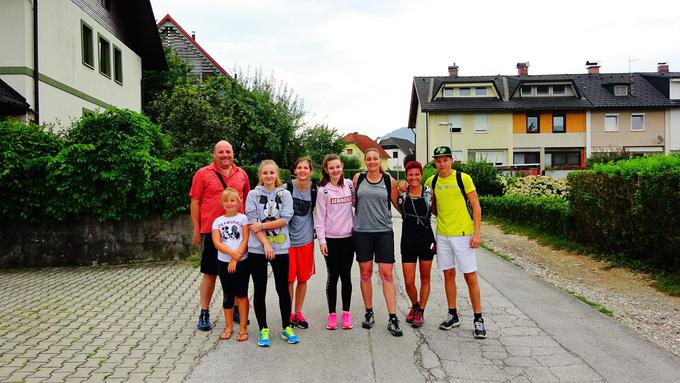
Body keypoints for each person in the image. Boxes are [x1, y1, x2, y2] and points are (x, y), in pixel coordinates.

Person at [424, 146, 486, 339]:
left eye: (445, 159)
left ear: (451, 160)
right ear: (434, 162)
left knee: (470, 277)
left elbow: (476, 206)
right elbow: (433, 209)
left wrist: (476, 233)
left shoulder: (463, 178)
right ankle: (453, 314)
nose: (441, 163)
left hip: (463, 235)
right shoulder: (431, 181)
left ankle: (478, 319)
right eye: (438, 160)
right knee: (448, 275)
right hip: (442, 235)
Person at [190, 140, 250, 331]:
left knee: (235, 273)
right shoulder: (202, 173)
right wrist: (197, 228)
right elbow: (195, 202)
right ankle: (205, 312)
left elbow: (247, 201)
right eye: (221, 152)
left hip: (237, 234)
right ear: (214, 154)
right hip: (211, 231)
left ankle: (235, 309)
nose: (225, 155)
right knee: (210, 273)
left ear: (233, 153)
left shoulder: (241, 174)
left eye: (228, 152)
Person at [246, 159, 299, 347]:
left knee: (282, 288)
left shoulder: (284, 194)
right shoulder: (253, 194)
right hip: (257, 249)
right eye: (265, 173)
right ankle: (263, 330)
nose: (268, 176)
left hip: (281, 247)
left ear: (277, 175)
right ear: (260, 175)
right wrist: (266, 245)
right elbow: (252, 222)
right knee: (260, 289)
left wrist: (262, 225)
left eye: (272, 172)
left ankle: (287, 326)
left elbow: (284, 219)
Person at [352, 148, 403, 337]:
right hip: (362, 232)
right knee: (365, 273)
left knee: (387, 274)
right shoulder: (358, 178)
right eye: (369, 159)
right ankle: (369, 311)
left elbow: (398, 203)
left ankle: (392, 317)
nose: (372, 161)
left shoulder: (389, 180)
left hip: (383, 232)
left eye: (375, 158)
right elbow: (349, 201)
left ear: (380, 160)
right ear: (365, 161)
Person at [315, 154, 355, 330]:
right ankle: (332, 315)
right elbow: (319, 218)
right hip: (331, 240)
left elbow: (356, 204)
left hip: (349, 239)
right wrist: (322, 240)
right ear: (326, 169)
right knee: (333, 277)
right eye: (331, 167)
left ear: (342, 166)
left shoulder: (349, 185)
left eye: (337, 166)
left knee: (346, 276)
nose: (335, 170)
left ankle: (346, 314)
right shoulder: (323, 191)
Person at [396, 161, 435, 328]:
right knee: (409, 281)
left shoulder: (429, 194)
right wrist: (399, 185)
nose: (414, 178)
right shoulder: (402, 193)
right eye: (410, 175)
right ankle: (415, 304)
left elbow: (438, 212)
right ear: (406, 176)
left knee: (425, 278)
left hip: (426, 239)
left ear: (421, 175)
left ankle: (421, 312)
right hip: (408, 240)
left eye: (417, 174)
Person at [211, 188, 250, 342]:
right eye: (226, 201)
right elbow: (217, 242)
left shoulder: (243, 219)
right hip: (223, 262)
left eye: (232, 200)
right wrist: (232, 256)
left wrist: (236, 258)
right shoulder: (218, 221)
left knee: (241, 294)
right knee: (228, 295)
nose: (229, 203)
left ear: (238, 202)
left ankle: (243, 328)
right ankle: (228, 327)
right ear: (222, 203)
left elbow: (246, 240)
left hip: (242, 262)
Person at [285, 158, 317, 329]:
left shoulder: (315, 189)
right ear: (295, 170)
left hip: (306, 241)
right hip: (288, 242)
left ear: (311, 171)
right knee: (289, 280)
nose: (303, 170)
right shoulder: (287, 188)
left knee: (303, 279)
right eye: (300, 167)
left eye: (306, 168)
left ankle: (298, 312)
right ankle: (288, 313)